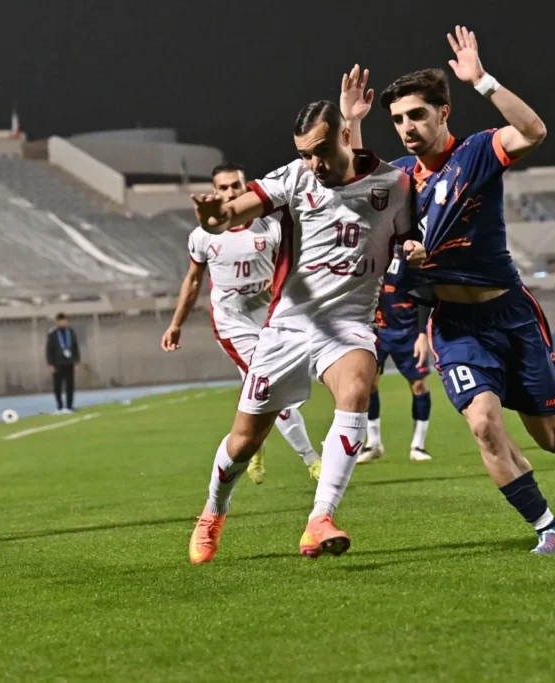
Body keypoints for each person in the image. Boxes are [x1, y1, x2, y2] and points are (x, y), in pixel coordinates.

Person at [186, 71, 425, 565]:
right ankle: (213, 511)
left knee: (357, 388)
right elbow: (241, 209)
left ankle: (320, 518)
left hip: (349, 324)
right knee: (244, 442)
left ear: (344, 136)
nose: (314, 163)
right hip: (288, 328)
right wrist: (217, 218)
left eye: (320, 151)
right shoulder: (295, 177)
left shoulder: (395, 184)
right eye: (304, 153)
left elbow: (408, 239)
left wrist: (413, 250)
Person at [379, 27, 555, 554]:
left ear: (444, 112)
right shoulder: (397, 179)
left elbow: (533, 131)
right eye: (397, 119)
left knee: (554, 440)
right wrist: (350, 120)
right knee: (484, 424)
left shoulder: (479, 151)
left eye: (417, 114)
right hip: (456, 327)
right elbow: (342, 182)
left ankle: (512, 421)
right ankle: (547, 527)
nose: (407, 127)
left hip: (511, 313)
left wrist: (482, 80)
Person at [161, 161, 321, 484]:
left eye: (236, 185)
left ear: (247, 186)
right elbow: (193, 280)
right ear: (215, 192)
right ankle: (313, 461)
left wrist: (280, 285)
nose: (231, 192)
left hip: (270, 319)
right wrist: (176, 323)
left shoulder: (270, 228)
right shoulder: (203, 236)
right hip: (232, 325)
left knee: (257, 389)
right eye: (223, 187)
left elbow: (290, 268)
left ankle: (253, 443)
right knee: (271, 385)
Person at [357, 243, 434, 463]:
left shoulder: (407, 250)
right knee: (369, 384)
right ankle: (373, 443)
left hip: (407, 331)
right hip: (376, 329)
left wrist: (422, 334)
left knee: (418, 385)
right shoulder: (369, 248)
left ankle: (418, 445)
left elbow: (423, 291)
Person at [46, 313, 80, 414]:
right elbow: (49, 349)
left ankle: (69, 406)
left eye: (64, 321)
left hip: (69, 363)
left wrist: (77, 361)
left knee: (70, 386)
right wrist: (50, 364)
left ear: (67, 321)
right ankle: (60, 407)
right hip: (57, 364)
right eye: (60, 321)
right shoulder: (53, 333)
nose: (62, 323)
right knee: (58, 387)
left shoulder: (71, 332)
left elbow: (75, 347)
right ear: (57, 322)